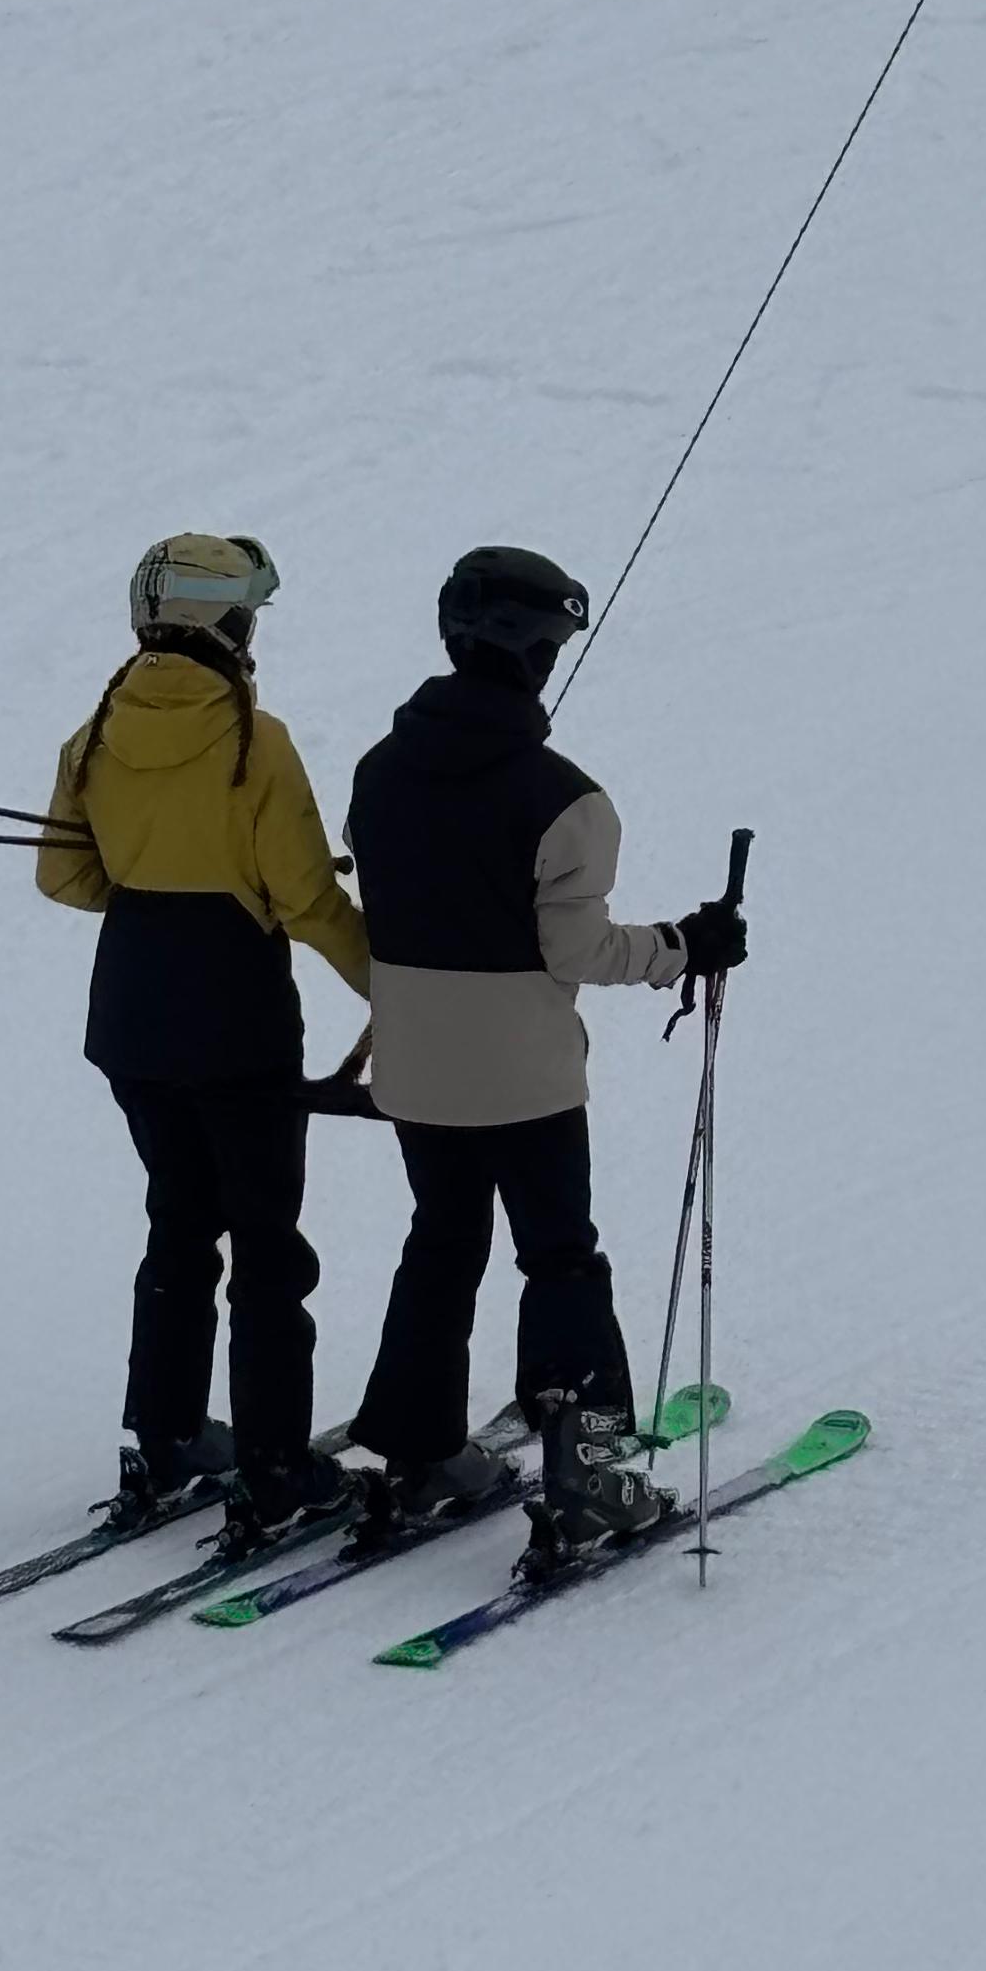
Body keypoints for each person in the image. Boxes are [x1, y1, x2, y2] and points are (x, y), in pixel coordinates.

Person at [344, 545, 746, 1556]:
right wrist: (684, 947)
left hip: (415, 1070)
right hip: (524, 1079)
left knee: (442, 1243)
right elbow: (576, 950)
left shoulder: (378, 770)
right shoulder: (568, 799)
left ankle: (420, 1454)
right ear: (534, 651)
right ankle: (589, 1475)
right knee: (559, 1256)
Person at [39, 534, 370, 1549]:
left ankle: (168, 1434)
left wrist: (158, 872)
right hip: (236, 1020)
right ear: (222, 621)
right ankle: (276, 1469)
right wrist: (395, 991)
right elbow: (309, 901)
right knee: (268, 1245)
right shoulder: (253, 741)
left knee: (178, 1226)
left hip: (131, 1016)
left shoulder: (95, 731)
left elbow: (65, 876)